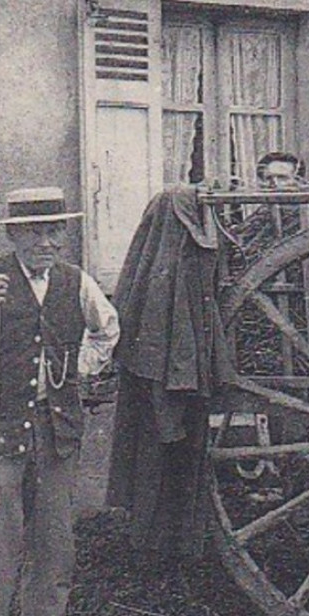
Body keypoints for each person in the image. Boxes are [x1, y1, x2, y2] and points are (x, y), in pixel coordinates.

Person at [0, 187, 120, 616]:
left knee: (54, 550)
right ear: (13, 236)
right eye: (35, 232)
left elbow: (108, 331)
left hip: (55, 437)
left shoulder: (77, 285)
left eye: (55, 231)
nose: (47, 242)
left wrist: (73, 372)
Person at [106, 184, 234, 562]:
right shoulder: (164, 265)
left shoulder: (170, 259)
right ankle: (155, 545)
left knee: (173, 457)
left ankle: (170, 543)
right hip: (162, 381)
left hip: (173, 378)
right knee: (158, 456)